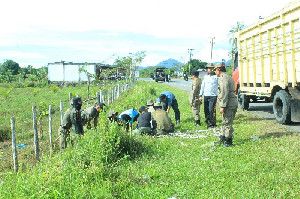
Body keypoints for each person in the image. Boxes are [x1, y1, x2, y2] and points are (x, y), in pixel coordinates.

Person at [214, 63, 238, 147]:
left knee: (227, 122)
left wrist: (222, 106)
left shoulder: (223, 79)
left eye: (215, 70)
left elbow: (224, 92)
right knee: (225, 121)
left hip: (228, 104)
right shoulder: (229, 77)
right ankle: (223, 137)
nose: (215, 72)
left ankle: (228, 141)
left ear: (218, 70)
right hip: (230, 102)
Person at [200, 63, 219, 128]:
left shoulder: (216, 77)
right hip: (206, 95)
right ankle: (208, 122)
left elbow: (219, 86)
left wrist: (219, 95)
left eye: (210, 68)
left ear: (213, 69)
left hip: (213, 96)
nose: (209, 69)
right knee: (206, 110)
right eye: (208, 68)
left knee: (211, 110)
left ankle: (212, 123)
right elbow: (203, 86)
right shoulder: (205, 77)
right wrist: (200, 95)